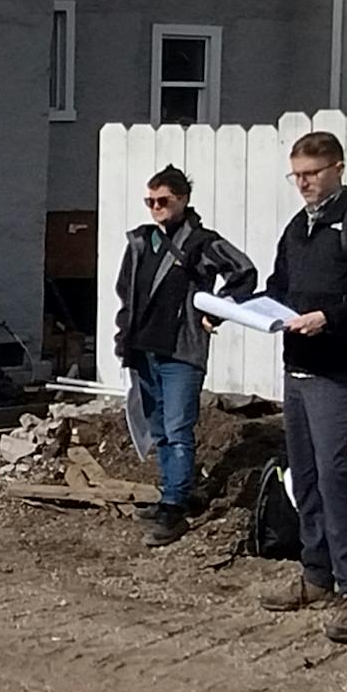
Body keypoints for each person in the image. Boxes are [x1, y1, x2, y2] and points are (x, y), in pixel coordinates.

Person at [254, 133, 347, 643]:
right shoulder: (298, 228)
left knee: (334, 475)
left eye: (312, 174)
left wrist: (329, 318)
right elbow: (280, 287)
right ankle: (315, 574)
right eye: (296, 175)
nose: (303, 184)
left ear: (337, 168)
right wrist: (240, 309)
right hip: (296, 366)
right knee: (305, 475)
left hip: (337, 368)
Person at [112, 164, 259, 549]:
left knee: (178, 428)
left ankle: (174, 507)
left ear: (183, 200)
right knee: (158, 427)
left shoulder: (201, 243)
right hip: (143, 347)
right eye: (150, 201)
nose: (155, 208)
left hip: (181, 348)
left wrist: (217, 311)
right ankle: (172, 493)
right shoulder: (140, 241)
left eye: (163, 201)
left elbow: (244, 272)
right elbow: (126, 293)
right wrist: (123, 336)